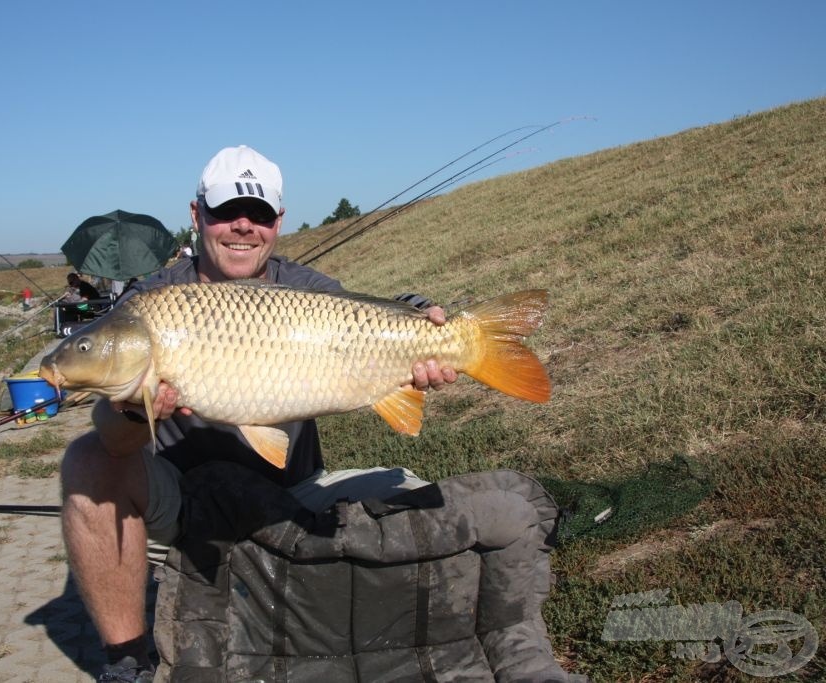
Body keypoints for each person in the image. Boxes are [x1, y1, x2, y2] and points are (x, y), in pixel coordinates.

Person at [61, 146, 557, 683]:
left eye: (259, 214)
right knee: (87, 462)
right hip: (180, 500)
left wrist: (429, 322)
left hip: (290, 494)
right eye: (227, 211)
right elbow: (112, 441)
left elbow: (374, 313)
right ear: (197, 214)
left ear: (279, 222)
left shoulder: (306, 290)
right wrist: (136, 414)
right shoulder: (151, 304)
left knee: (409, 489)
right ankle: (128, 659)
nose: (242, 227)